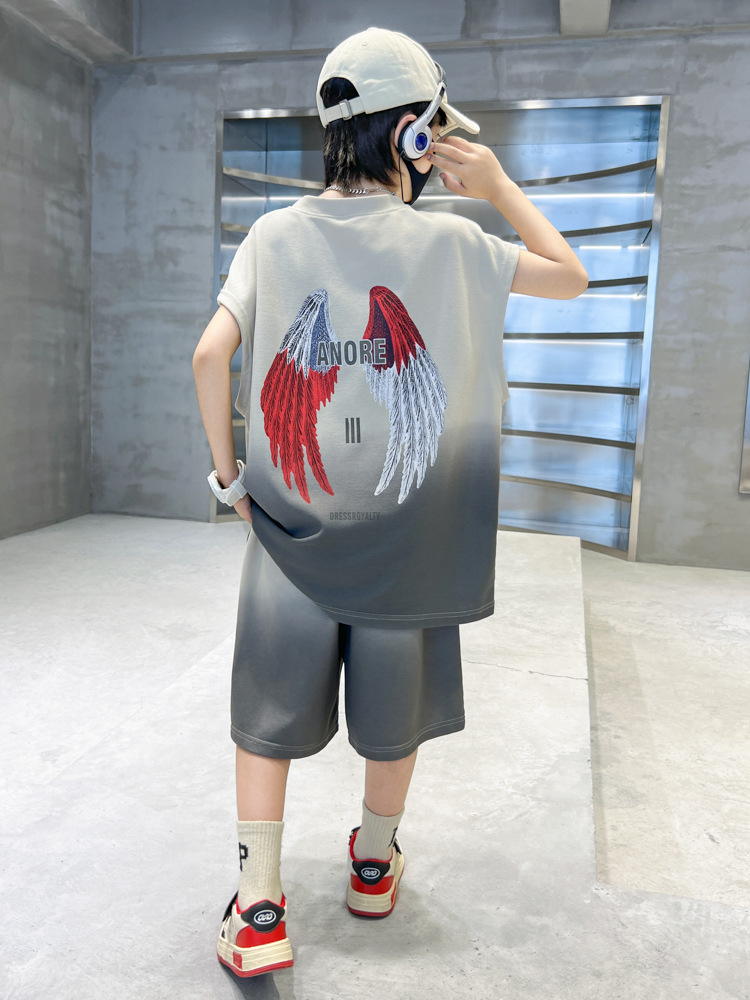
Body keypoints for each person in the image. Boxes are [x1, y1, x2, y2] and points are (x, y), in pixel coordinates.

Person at [192, 25, 587, 980]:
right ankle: (373, 867)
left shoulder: (273, 235)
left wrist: (234, 483)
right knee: (393, 711)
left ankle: (258, 910)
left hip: (291, 537)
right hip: (412, 539)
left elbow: (210, 355)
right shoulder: (456, 241)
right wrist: (497, 187)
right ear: (416, 133)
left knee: (266, 715)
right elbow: (572, 277)